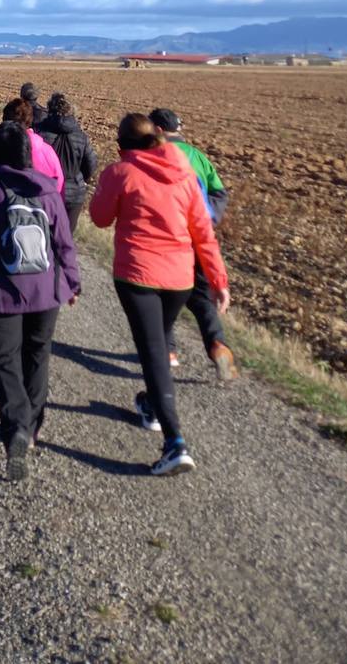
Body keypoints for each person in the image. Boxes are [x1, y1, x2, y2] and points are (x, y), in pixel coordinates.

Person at [89, 113, 230, 476]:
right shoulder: (183, 173)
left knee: (154, 352)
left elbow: (100, 218)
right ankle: (151, 404)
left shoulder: (120, 172)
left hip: (137, 277)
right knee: (157, 342)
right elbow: (203, 233)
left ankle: (175, 443)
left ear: (122, 145)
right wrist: (218, 281)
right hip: (180, 280)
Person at [0, 121, 80, 480]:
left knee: (4, 360)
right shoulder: (48, 191)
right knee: (38, 354)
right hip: (46, 291)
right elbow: (64, 243)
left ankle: (16, 427)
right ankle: (32, 426)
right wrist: (72, 283)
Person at [148, 107, 237, 381]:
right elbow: (219, 192)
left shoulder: (153, 154)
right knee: (200, 296)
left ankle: (168, 351)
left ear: (158, 130)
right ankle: (217, 343)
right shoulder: (198, 156)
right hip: (197, 236)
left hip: (166, 237)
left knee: (162, 295)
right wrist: (206, 220)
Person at [0, 100, 65, 198]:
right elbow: (59, 184)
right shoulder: (47, 151)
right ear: (29, 121)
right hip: (42, 204)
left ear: (4, 120)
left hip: (0, 204)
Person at [38, 92, 98, 233]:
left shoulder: (42, 134)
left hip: (48, 190)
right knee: (67, 236)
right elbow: (91, 163)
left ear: (49, 110)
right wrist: (81, 178)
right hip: (74, 192)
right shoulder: (80, 136)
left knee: (47, 234)